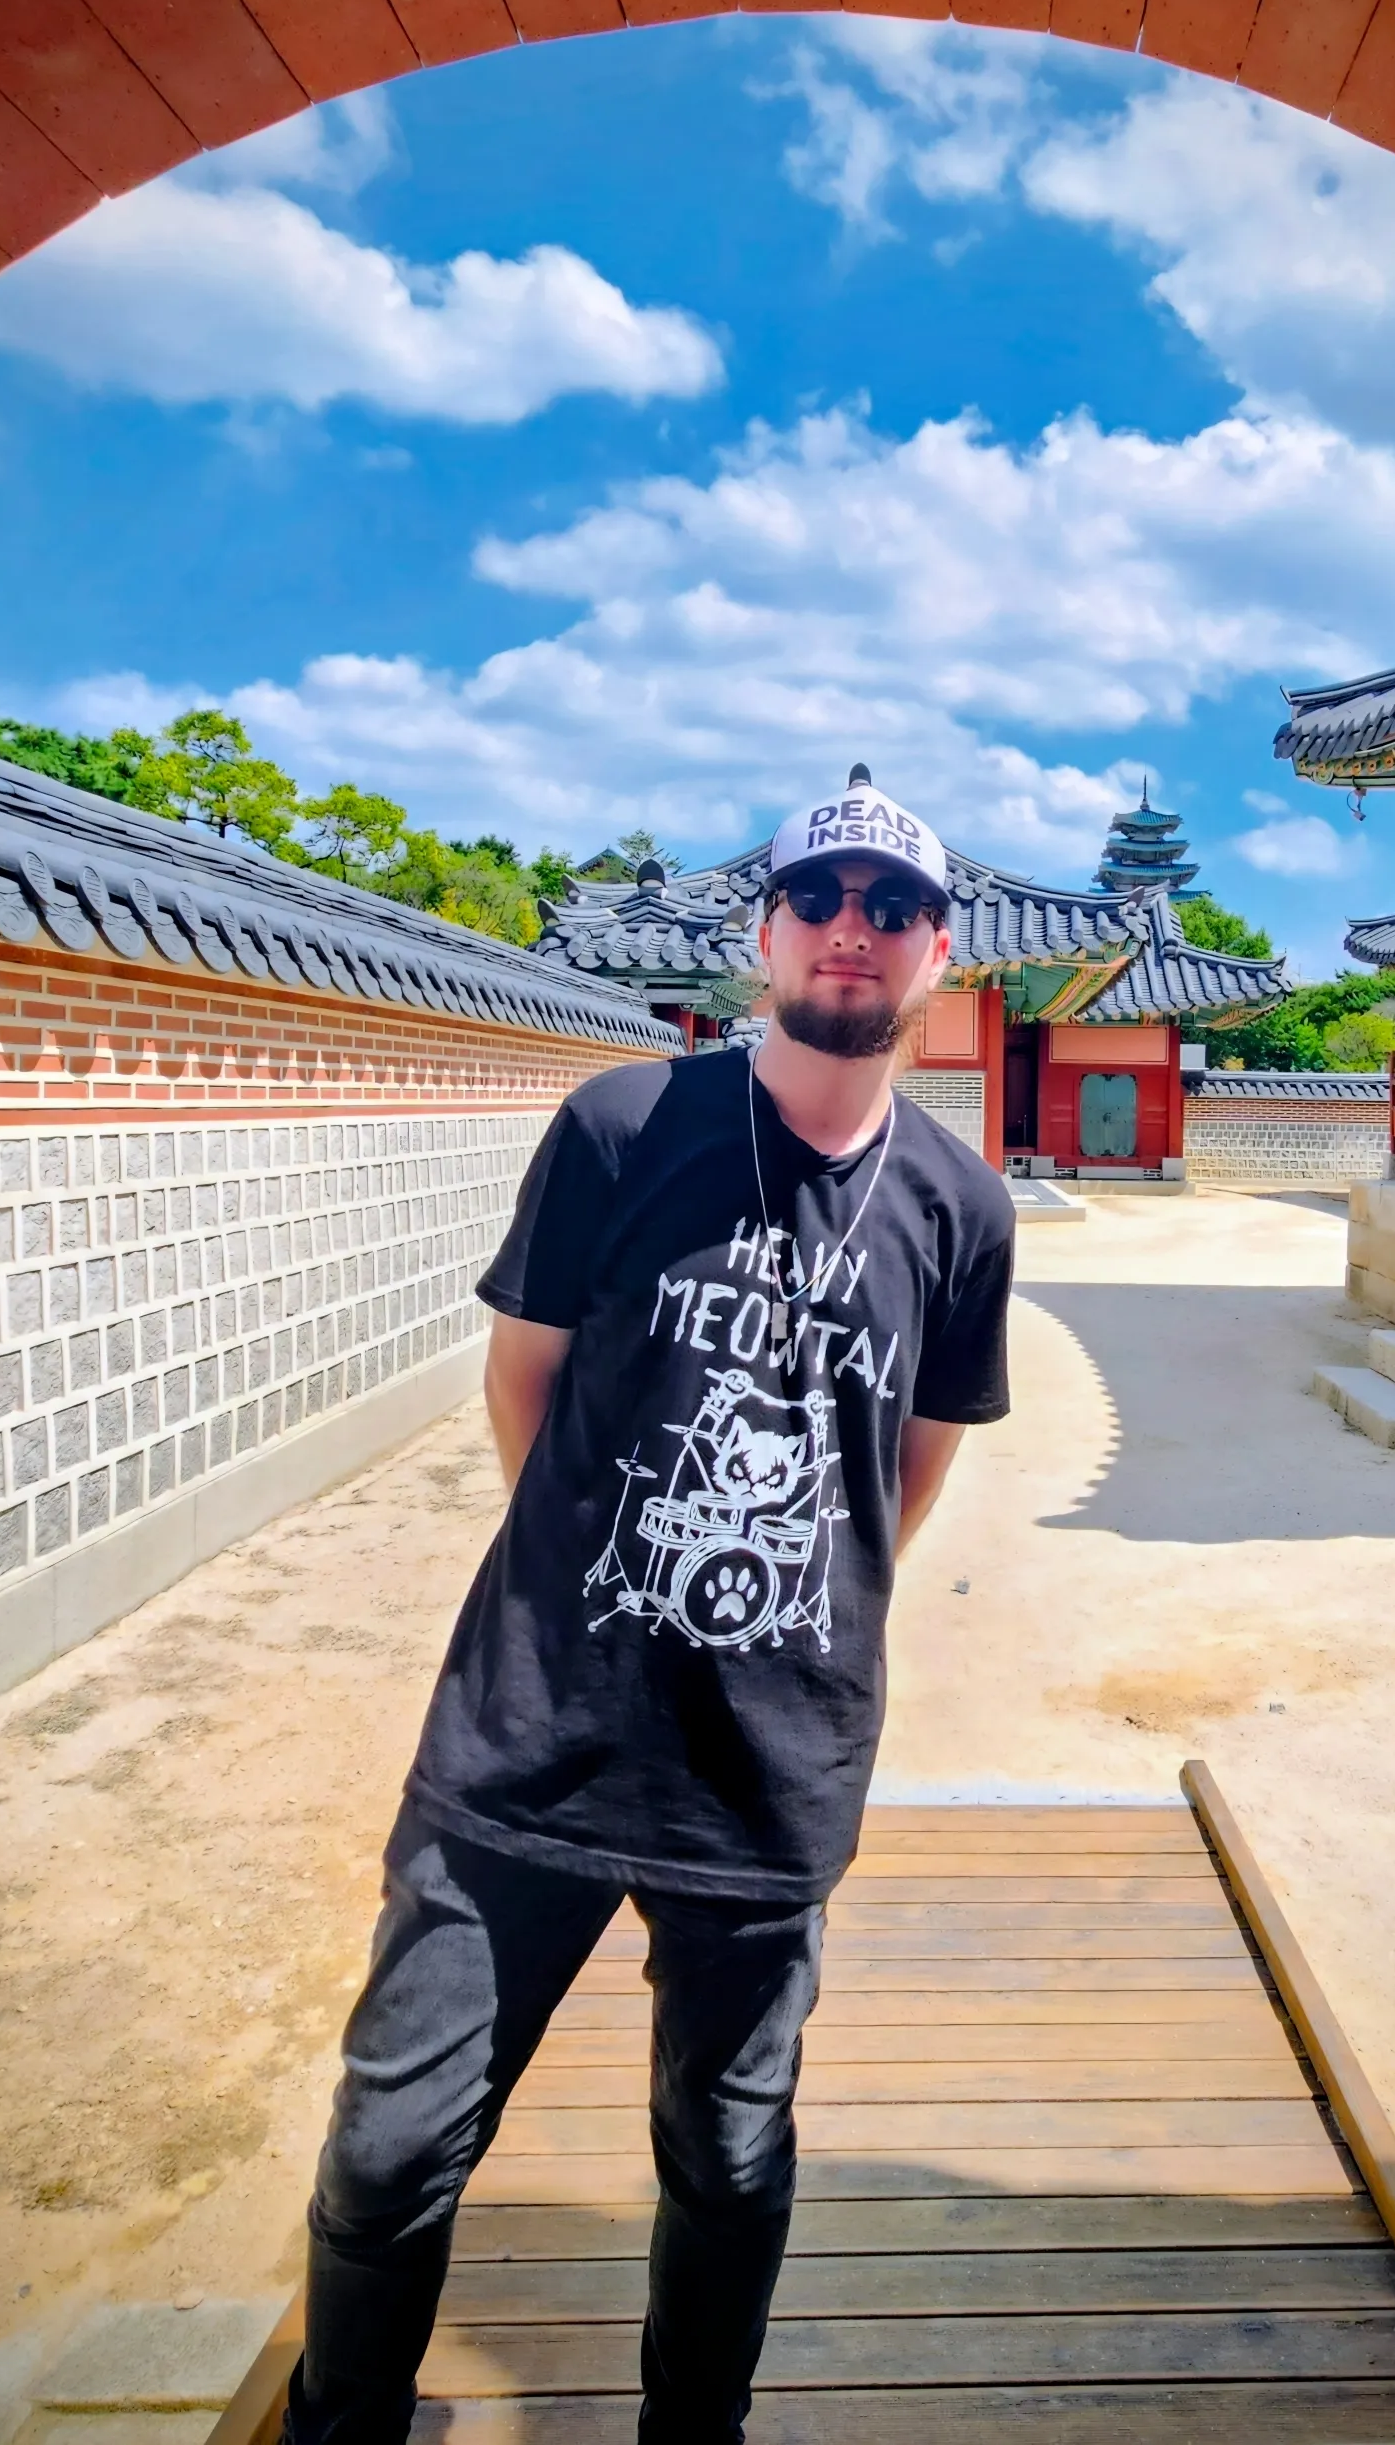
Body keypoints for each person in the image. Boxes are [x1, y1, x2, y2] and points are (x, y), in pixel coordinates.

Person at [283, 769, 1016, 2444]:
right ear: (764, 932)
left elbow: (904, 1470)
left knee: (730, 2152)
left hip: (771, 1766)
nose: (851, 930)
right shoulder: (621, 1126)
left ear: (940, 955)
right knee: (393, 2145)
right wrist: (594, 1571)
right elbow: (524, 1382)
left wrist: (788, 1606)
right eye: (817, 897)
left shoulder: (961, 1208)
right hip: (533, 1727)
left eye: (893, 908)